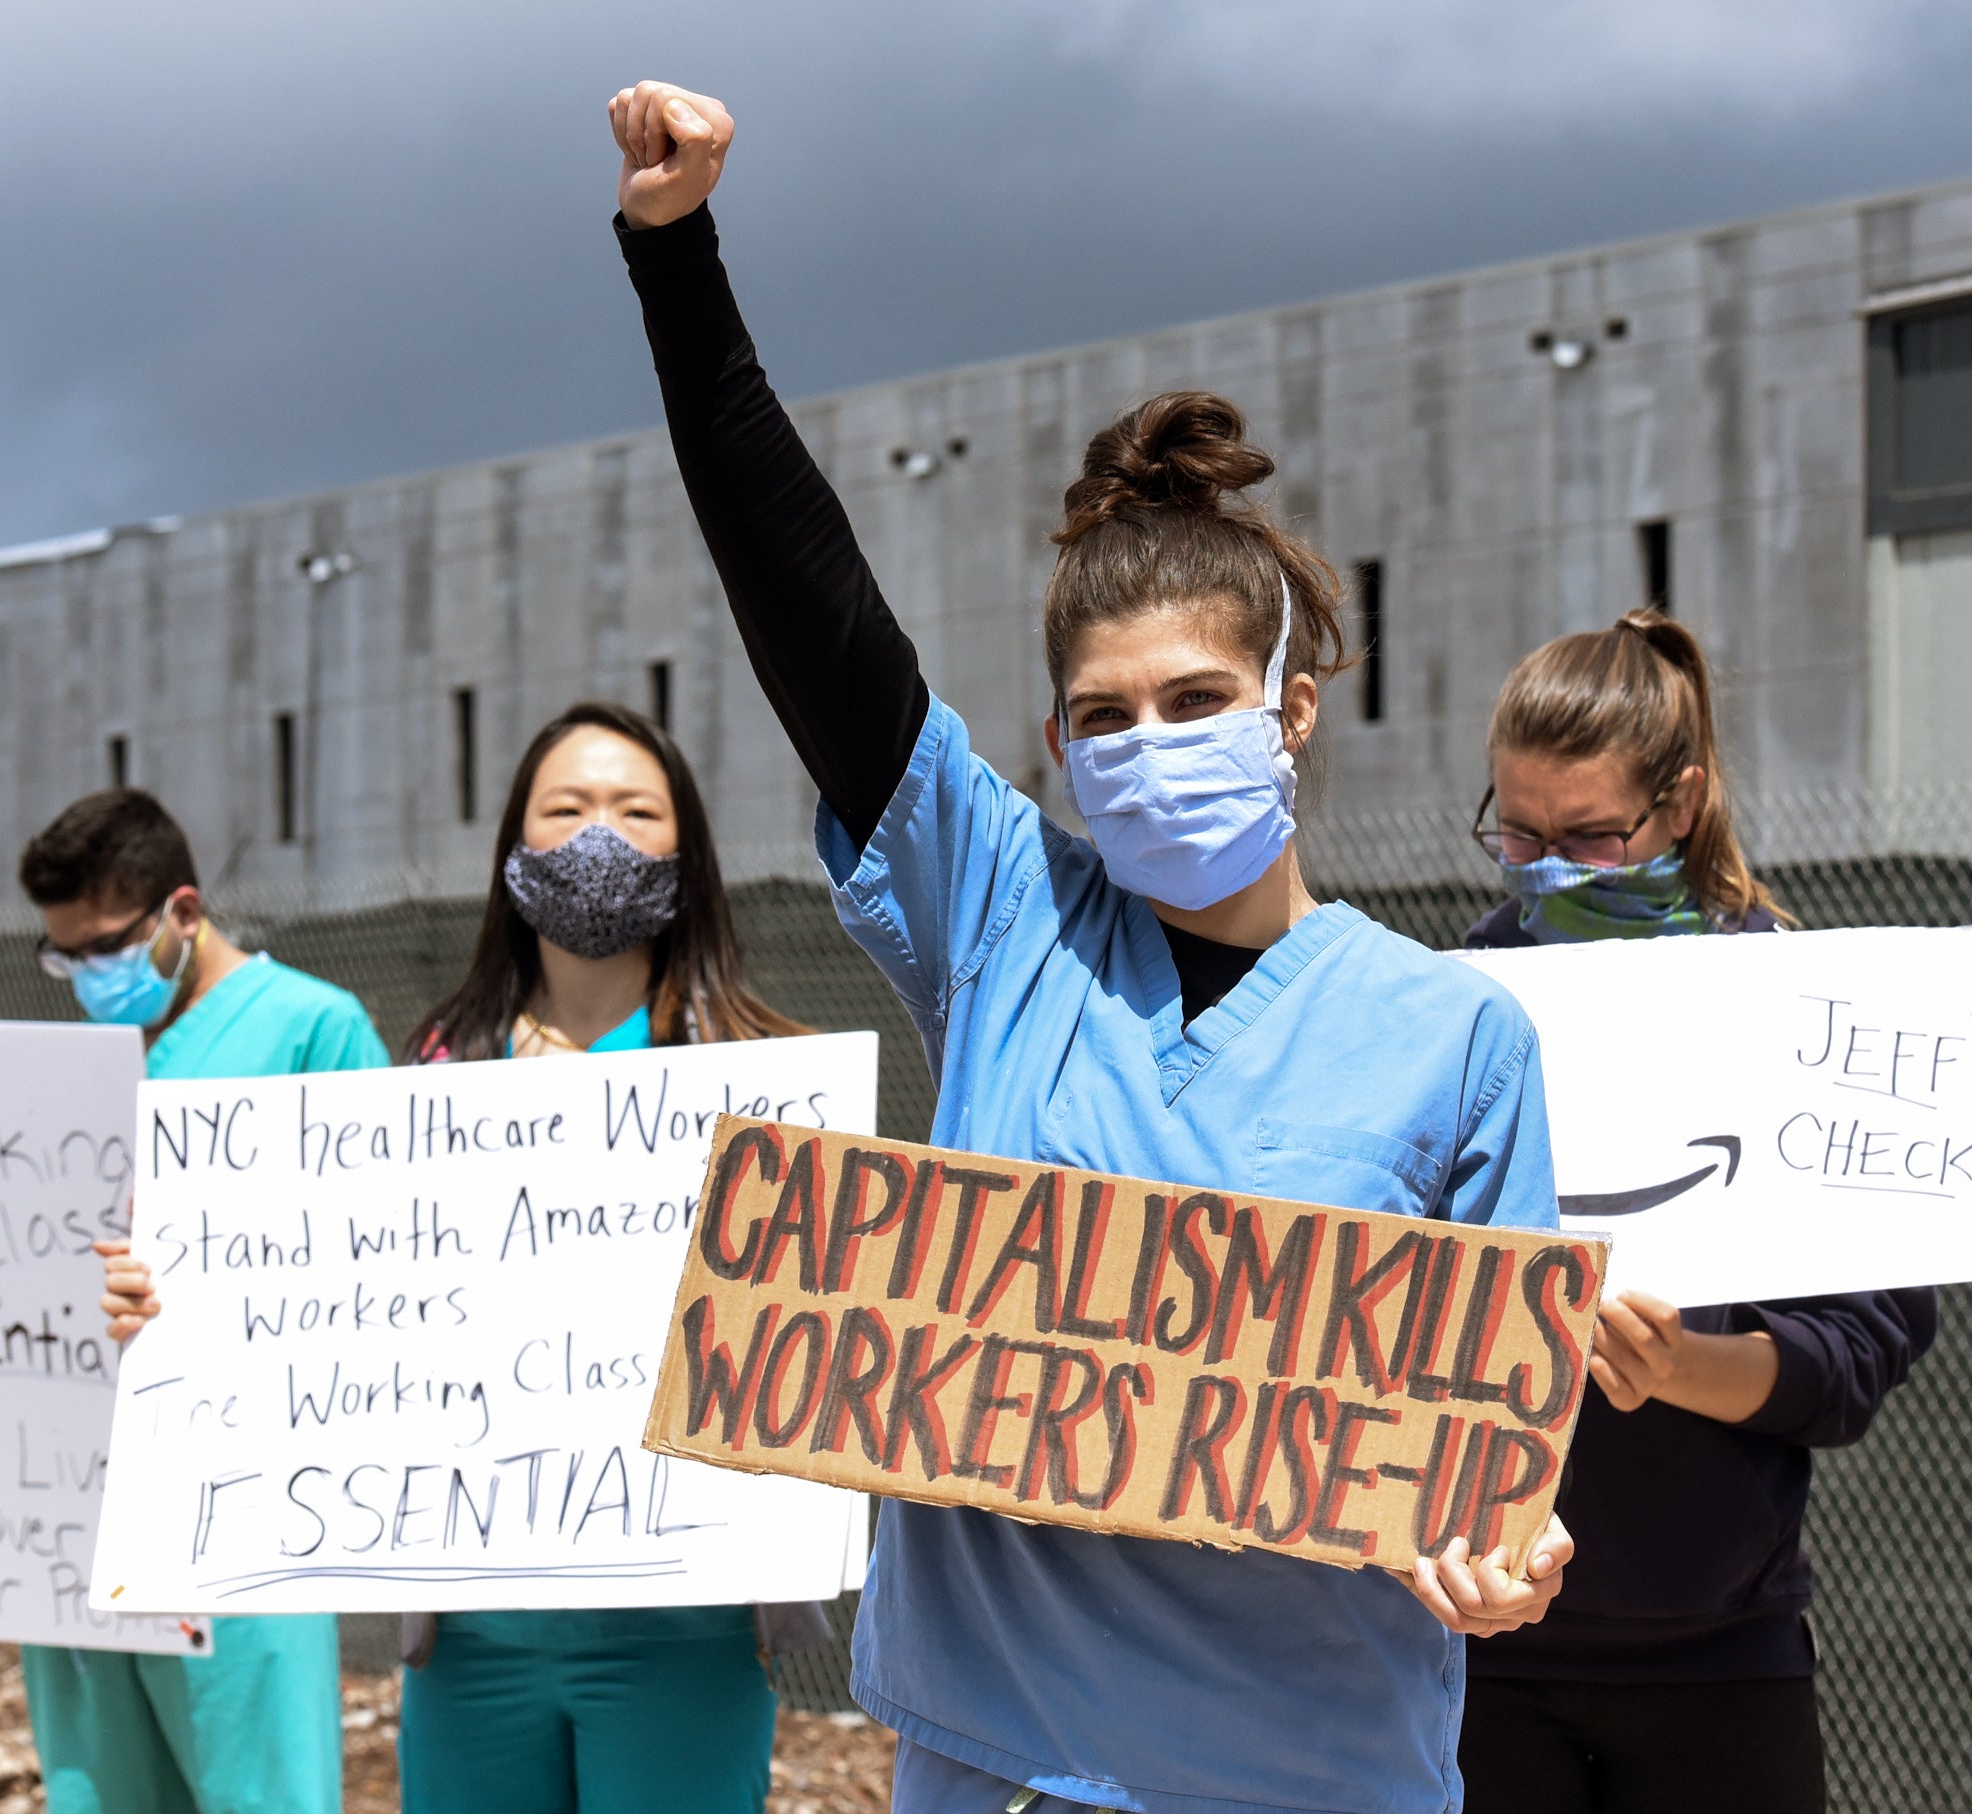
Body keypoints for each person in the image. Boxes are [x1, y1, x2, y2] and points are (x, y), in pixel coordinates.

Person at [606, 78, 1570, 1814]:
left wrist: (1505, 1541)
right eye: (1100, 715)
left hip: (1318, 1766)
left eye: (1194, 700)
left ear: (1291, 706)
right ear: (1052, 748)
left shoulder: (1456, 1036)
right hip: (1002, 1765)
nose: (1146, 741)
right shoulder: (1004, 917)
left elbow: (1491, 1447)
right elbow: (808, 604)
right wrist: (678, 261)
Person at [100, 705, 804, 1814]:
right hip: (473, 1637)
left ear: (690, 848)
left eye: (637, 810)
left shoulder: (764, 1076)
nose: (598, 836)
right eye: (565, 810)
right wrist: (169, 1306)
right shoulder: (429, 1077)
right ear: (515, 848)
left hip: (686, 1627)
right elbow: (322, 1311)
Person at [1456, 612, 1940, 1814]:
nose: (1544, 868)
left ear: (1680, 802)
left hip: (1722, 1661)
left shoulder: (1800, 1008)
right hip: (1483, 1653)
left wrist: (1676, 1364)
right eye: (1516, 831)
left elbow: (1855, 1361)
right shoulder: (1460, 997)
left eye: (1588, 835)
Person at [20, 787, 387, 1814]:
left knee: (255, 1785)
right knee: (98, 1786)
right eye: (64, 958)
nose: (88, 978)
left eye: (103, 949)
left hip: (242, 1515)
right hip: (73, 1510)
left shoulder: (314, 1028)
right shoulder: (70, 1072)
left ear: (184, 911)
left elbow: (382, 1275)